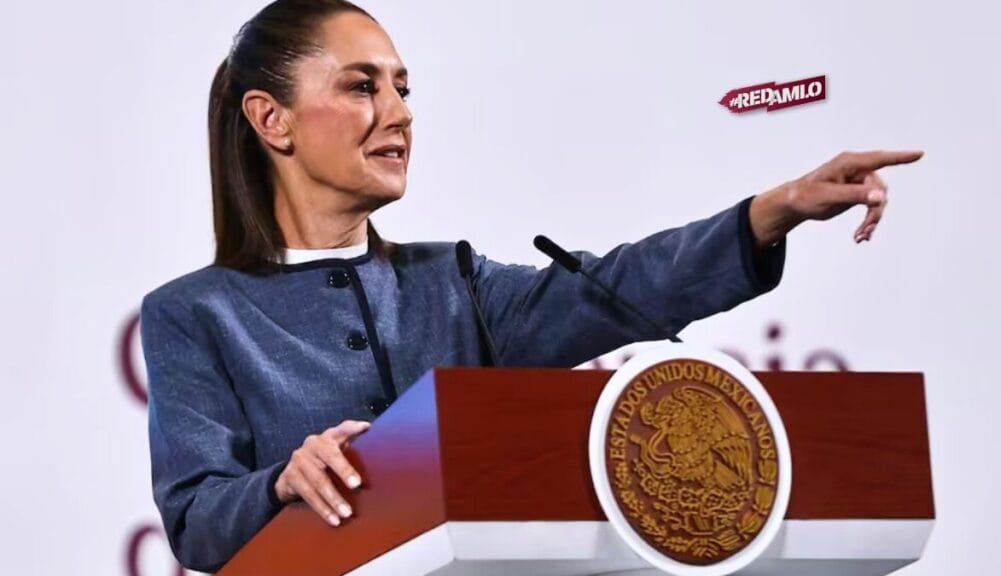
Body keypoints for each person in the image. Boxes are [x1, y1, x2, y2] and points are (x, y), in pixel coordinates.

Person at [140, 0, 923, 571]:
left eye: (404, 89)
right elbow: (197, 520)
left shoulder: (453, 282)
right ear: (271, 120)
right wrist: (281, 482)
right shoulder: (194, 313)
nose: (399, 113)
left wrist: (770, 213)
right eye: (361, 87)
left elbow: (615, 286)